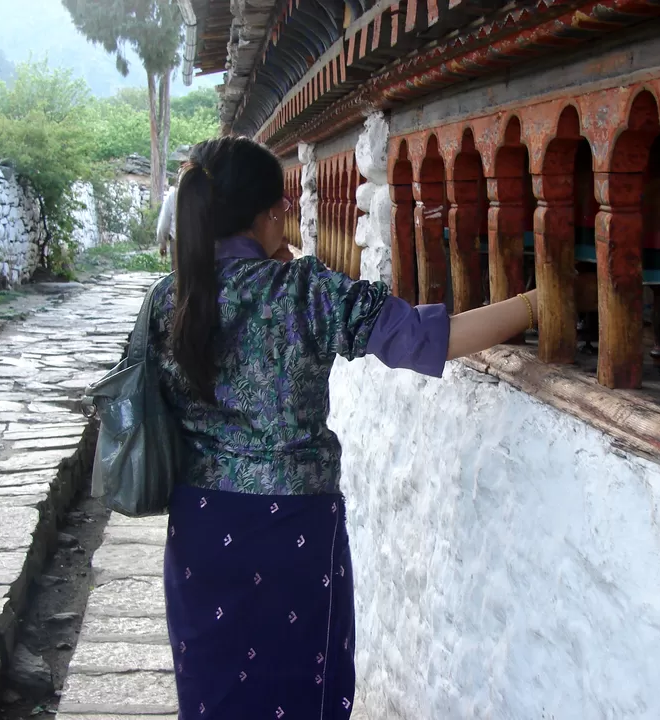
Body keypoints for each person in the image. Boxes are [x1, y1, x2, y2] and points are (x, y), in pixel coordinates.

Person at [149, 136, 538, 720]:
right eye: (282, 207)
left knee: (215, 693)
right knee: (298, 693)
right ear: (268, 213)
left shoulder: (168, 299)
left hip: (201, 531)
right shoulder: (303, 291)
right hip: (291, 531)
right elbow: (430, 338)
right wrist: (537, 303)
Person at [157, 182, 178, 270]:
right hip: (201, 243)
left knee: (177, 274)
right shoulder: (204, 193)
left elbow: (164, 221)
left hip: (177, 244)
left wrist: (162, 243)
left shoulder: (173, 195)